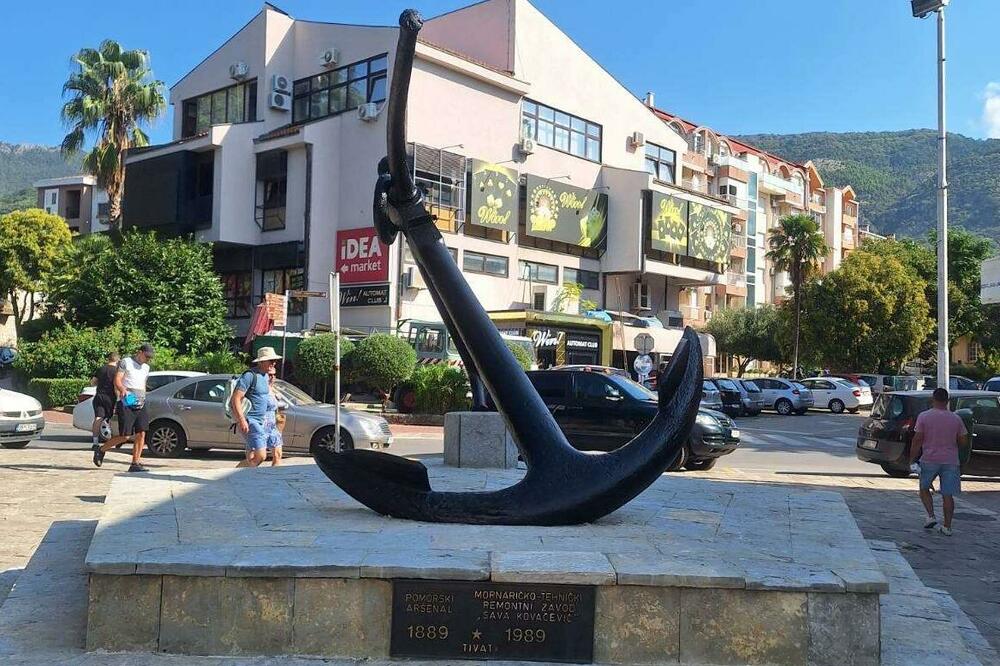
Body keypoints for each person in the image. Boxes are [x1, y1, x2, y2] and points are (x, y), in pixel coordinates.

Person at [909, 387, 968, 536]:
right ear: (947, 401)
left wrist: (912, 458)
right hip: (950, 460)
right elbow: (963, 441)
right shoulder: (956, 419)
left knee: (924, 488)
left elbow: (917, 439)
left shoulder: (924, 416)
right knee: (947, 495)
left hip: (929, 459)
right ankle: (947, 527)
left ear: (933, 399)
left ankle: (931, 516)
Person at [93, 343, 154, 472]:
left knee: (141, 433)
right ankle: (101, 450)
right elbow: (117, 379)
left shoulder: (146, 368)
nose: (148, 359)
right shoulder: (126, 362)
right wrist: (122, 389)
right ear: (140, 352)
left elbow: (143, 383)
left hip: (141, 402)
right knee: (125, 436)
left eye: (150, 357)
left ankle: (135, 463)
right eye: (147, 356)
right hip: (127, 401)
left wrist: (144, 396)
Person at [231, 347, 282, 468]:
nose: (274, 363)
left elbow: (264, 397)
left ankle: (241, 474)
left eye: (275, 361)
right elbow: (236, 398)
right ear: (261, 362)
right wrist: (242, 420)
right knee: (261, 456)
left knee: (262, 457)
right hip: (251, 420)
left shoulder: (265, 376)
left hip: (263, 420)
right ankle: (234, 473)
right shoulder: (249, 376)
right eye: (271, 361)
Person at [90, 351, 120, 451]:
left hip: (99, 396)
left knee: (98, 418)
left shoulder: (101, 369)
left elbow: (93, 382)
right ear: (117, 360)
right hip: (110, 397)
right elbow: (116, 386)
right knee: (112, 419)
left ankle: (95, 443)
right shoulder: (117, 371)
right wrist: (118, 398)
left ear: (108, 359)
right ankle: (114, 441)